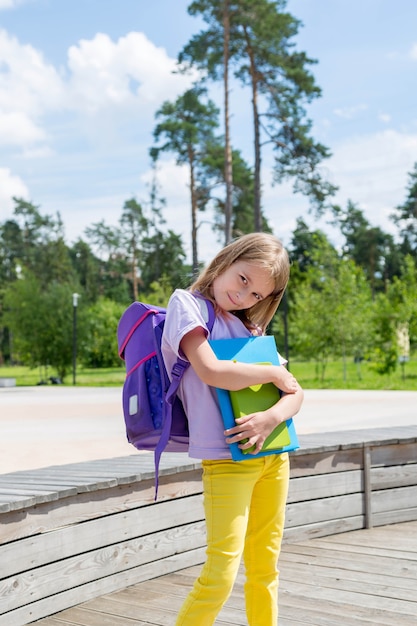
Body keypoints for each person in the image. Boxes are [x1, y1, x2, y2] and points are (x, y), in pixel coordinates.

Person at [161, 232, 304, 626]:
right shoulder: (187, 305)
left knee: (265, 569)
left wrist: (271, 417)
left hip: (274, 458)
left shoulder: (252, 333)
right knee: (220, 574)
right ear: (226, 260)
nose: (244, 297)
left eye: (258, 295)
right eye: (243, 280)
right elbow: (209, 369)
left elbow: (294, 394)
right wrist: (272, 371)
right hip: (226, 462)